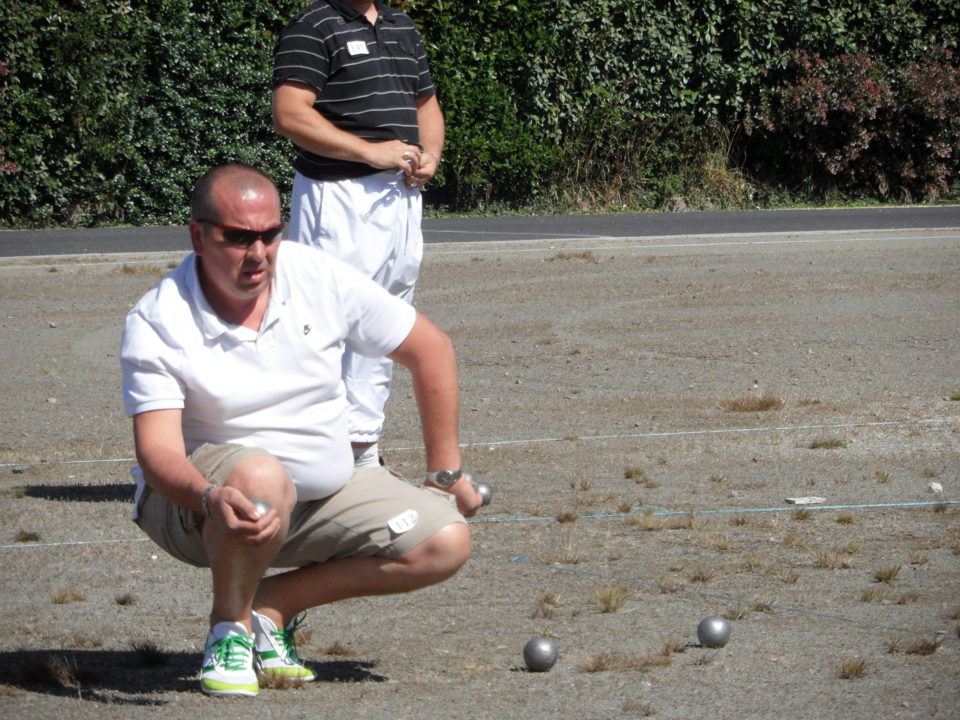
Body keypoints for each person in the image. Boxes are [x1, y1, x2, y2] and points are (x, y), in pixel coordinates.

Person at [121, 164, 481, 697]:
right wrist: (209, 495)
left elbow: (431, 350)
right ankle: (229, 629)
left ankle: (273, 608)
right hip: (197, 506)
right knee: (263, 476)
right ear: (199, 235)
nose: (259, 252)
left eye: (270, 234)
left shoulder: (317, 276)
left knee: (444, 540)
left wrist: (445, 471)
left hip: (322, 493)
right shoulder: (158, 319)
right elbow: (156, 453)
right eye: (239, 237)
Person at [272, 0, 445, 469]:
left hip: (401, 197)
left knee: (386, 322)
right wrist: (370, 152)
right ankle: (309, 454)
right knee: (324, 323)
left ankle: (362, 450)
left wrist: (430, 153)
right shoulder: (313, 25)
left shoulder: (402, 25)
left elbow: (425, 103)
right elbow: (289, 114)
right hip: (340, 196)